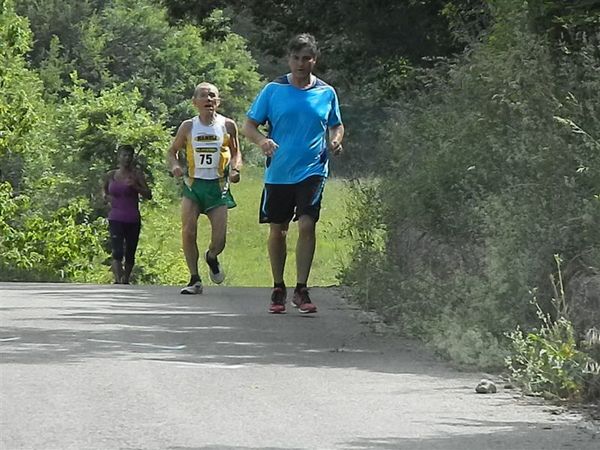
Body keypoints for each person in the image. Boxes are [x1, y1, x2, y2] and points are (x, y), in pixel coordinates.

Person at [242, 33, 344, 314]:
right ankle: (278, 286)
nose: (301, 63)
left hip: (313, 168)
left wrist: (335, 141)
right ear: (289, 59)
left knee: (308, 224)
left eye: (306, 58)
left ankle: (301, 288)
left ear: (315, 60)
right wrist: (262, 140)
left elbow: (336, 125)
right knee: (279, 230)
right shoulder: (273, 90)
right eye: (296, 58)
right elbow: (249, 125)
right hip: (279, 171)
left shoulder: (326, 92)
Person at [167, 82, 242, 294]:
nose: (208, 99)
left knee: (219, 240)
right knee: (188, 231)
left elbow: (236, 153)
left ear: (218, 101)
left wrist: (236, 170)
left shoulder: (228, 125)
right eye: (203, 96)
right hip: (193, 186)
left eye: (212, 96)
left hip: (218, 188)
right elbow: (172, 152)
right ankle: (194, 279)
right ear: (195, 102)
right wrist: (175, 167)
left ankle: (211, 257)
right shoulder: (188, 127)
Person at [103, 144, 152, 284]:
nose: (127, 158)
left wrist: (136, 186)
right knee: (117, 251)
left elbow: (148, 195)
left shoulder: (136, 175)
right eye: (124, 155)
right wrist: (106, 198)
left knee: (130, 251)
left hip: (132, 218)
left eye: (129, 156)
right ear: (118, 157)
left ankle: (126, 279)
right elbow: (104, 191)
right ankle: (118, 280)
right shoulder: (111, 175)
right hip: (115, 217)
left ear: (133, 158)